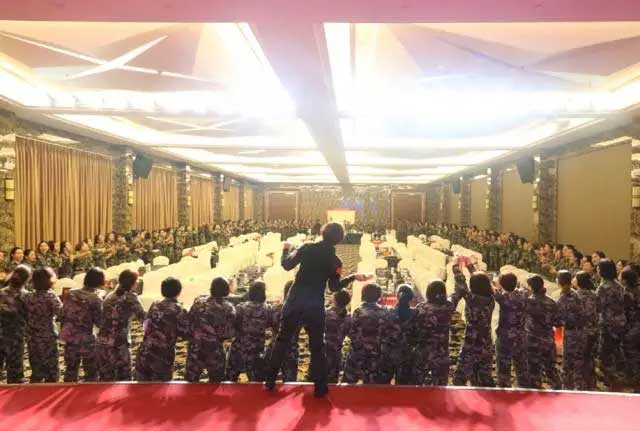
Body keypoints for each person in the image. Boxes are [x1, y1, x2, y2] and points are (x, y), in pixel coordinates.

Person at [264, 222, 369, 397]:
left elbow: (287, 265)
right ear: (340, 239)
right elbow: (334, 287)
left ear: (322, 233)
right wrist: (352, 277)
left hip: (295, 299)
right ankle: (320, 387)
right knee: (317, 347)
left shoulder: (307, 248)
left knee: (282, 340)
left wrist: (285, 249)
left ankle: (270, 381)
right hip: (315, 303)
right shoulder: (336, 261)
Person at [135, 277, 190, 381]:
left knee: (141, 388)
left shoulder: (154, 305)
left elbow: (145, 325)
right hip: (162, 359)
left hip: (144, 353)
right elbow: (186, 334)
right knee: (161, 389)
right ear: (179, 292)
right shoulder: (179, 310)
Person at [96, 269, 145, 381]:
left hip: (102, 343)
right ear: (133, 283)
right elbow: (143, 318)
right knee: (123, 381)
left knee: (105, 380)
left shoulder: (110, 296)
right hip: (119, 344)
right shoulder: (131, 297)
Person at [186, 277, 236, 383]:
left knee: (190, 383)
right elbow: (229, 333)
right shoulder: (228, 308)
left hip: (195, 348)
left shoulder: (198, 302)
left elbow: (189, 322)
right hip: (214, 350)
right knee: (216, 382)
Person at [342, 283, 393, 384]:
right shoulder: (385, 312)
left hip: (358, 355)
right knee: (373, 388)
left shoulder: (358, 312)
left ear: (363, 295)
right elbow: (389, 334)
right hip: (377, 356)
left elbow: (351, 332)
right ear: (378, 296)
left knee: (348, 385)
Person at [415, 279, 463, 386]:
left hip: (424, 354)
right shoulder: (448, 306)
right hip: (442, 354)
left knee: (418, 387)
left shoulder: (421, 308)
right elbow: (459, 291)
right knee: (441, 388)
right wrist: (458, 272)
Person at [453, 271, 496, 387]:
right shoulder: (491, 299)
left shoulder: (472, 298)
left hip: (472, 339)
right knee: (484, 373)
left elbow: (461, 285)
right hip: (486, 339)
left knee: (461, 375)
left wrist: (457, 269)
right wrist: (471, 267)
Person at [60, 267, 104, 382]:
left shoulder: (70, 293)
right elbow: (100, 322)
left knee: (70, 370)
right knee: (91, 373)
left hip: (70, 337)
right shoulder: (95, 298)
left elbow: (63, 314)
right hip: (86, 339)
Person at [227, 281, 272, 382]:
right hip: (256, 350)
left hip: (239, 349)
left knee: (230, 380)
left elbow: (234, 325)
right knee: (257, 382)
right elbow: (269, 324)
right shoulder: (268, 309)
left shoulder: (241, 307)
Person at [24, 267, 63, 383]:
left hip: (32, 335)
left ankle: (35, 387)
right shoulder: (50, 296)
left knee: (36, 365)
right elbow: (61, 313)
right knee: (52, 368)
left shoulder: (28, 296)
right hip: (48, 335)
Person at [525, 274, 562, 390]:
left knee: (533, 371)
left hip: (532, 341)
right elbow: (558, 323)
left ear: (530, 287)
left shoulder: (528, 302)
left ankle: (536, 393)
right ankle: (559, 391)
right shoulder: (551, 302)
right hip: (548, 340)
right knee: (551, 369)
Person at [493, 272, 529, 388]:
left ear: (501, 284)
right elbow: (524, 288)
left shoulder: (502, 297)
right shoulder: (523, 294)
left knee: (503, 367)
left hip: (505, 337)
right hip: (521, 335)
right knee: (522, 366)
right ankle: (524, 389)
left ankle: (504, 389)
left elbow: (487, 285)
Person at [597, 258, 626, 390]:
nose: (597, 269)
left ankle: (612, 381)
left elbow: (598, 306)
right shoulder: (618, 285)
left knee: (605, 353)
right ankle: (618, 376)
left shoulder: (604, 287)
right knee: (616, 350)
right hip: (620, 321)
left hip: (608, 324)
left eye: (599, 267)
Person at [0, 265, 31, 383]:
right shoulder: (27, 295)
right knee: (15, 372)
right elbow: (29, 317)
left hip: (1, 332)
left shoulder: (1, 293)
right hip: (16, 336)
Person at [265, 280, 300, 382]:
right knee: (290, 382)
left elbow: (268, 324)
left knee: (269, 381)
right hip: (291, 349)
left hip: (274, 347)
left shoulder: (275, 309)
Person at [557, 270, 586, 390]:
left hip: (571, 333)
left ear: (559, 281)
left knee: (568, 362)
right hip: (581, 331)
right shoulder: (576, 294)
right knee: (579, 360)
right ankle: (580, 386)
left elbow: (559, 320)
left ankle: (568, 388)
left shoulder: (563, 298)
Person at [385, 284, 418, 385]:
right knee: (403, 387)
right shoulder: (416, 313)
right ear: (411, 298)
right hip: (407, 355)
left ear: (397, 296)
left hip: (388, 354)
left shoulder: (387, 312)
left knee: (383, 387)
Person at [574, 271, 599, 389]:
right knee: (590, 357)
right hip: (593, 330)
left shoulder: (576, 296)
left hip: (581, 332)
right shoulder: (594, 294)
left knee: (580, 358)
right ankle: (591, 382)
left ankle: (581, 385)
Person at [324, 289, 352, 384]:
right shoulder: (348, 317)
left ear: (334, 299)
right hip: (336, 354)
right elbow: (351, 334)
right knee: (332, 384)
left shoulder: (325, 314)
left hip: (321, 352)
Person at [620, 266, 640, 389]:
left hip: (632, 327)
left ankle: (635, 379)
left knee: (631, 353)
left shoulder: (626, 292)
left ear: (625, 280)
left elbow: (623, 311)